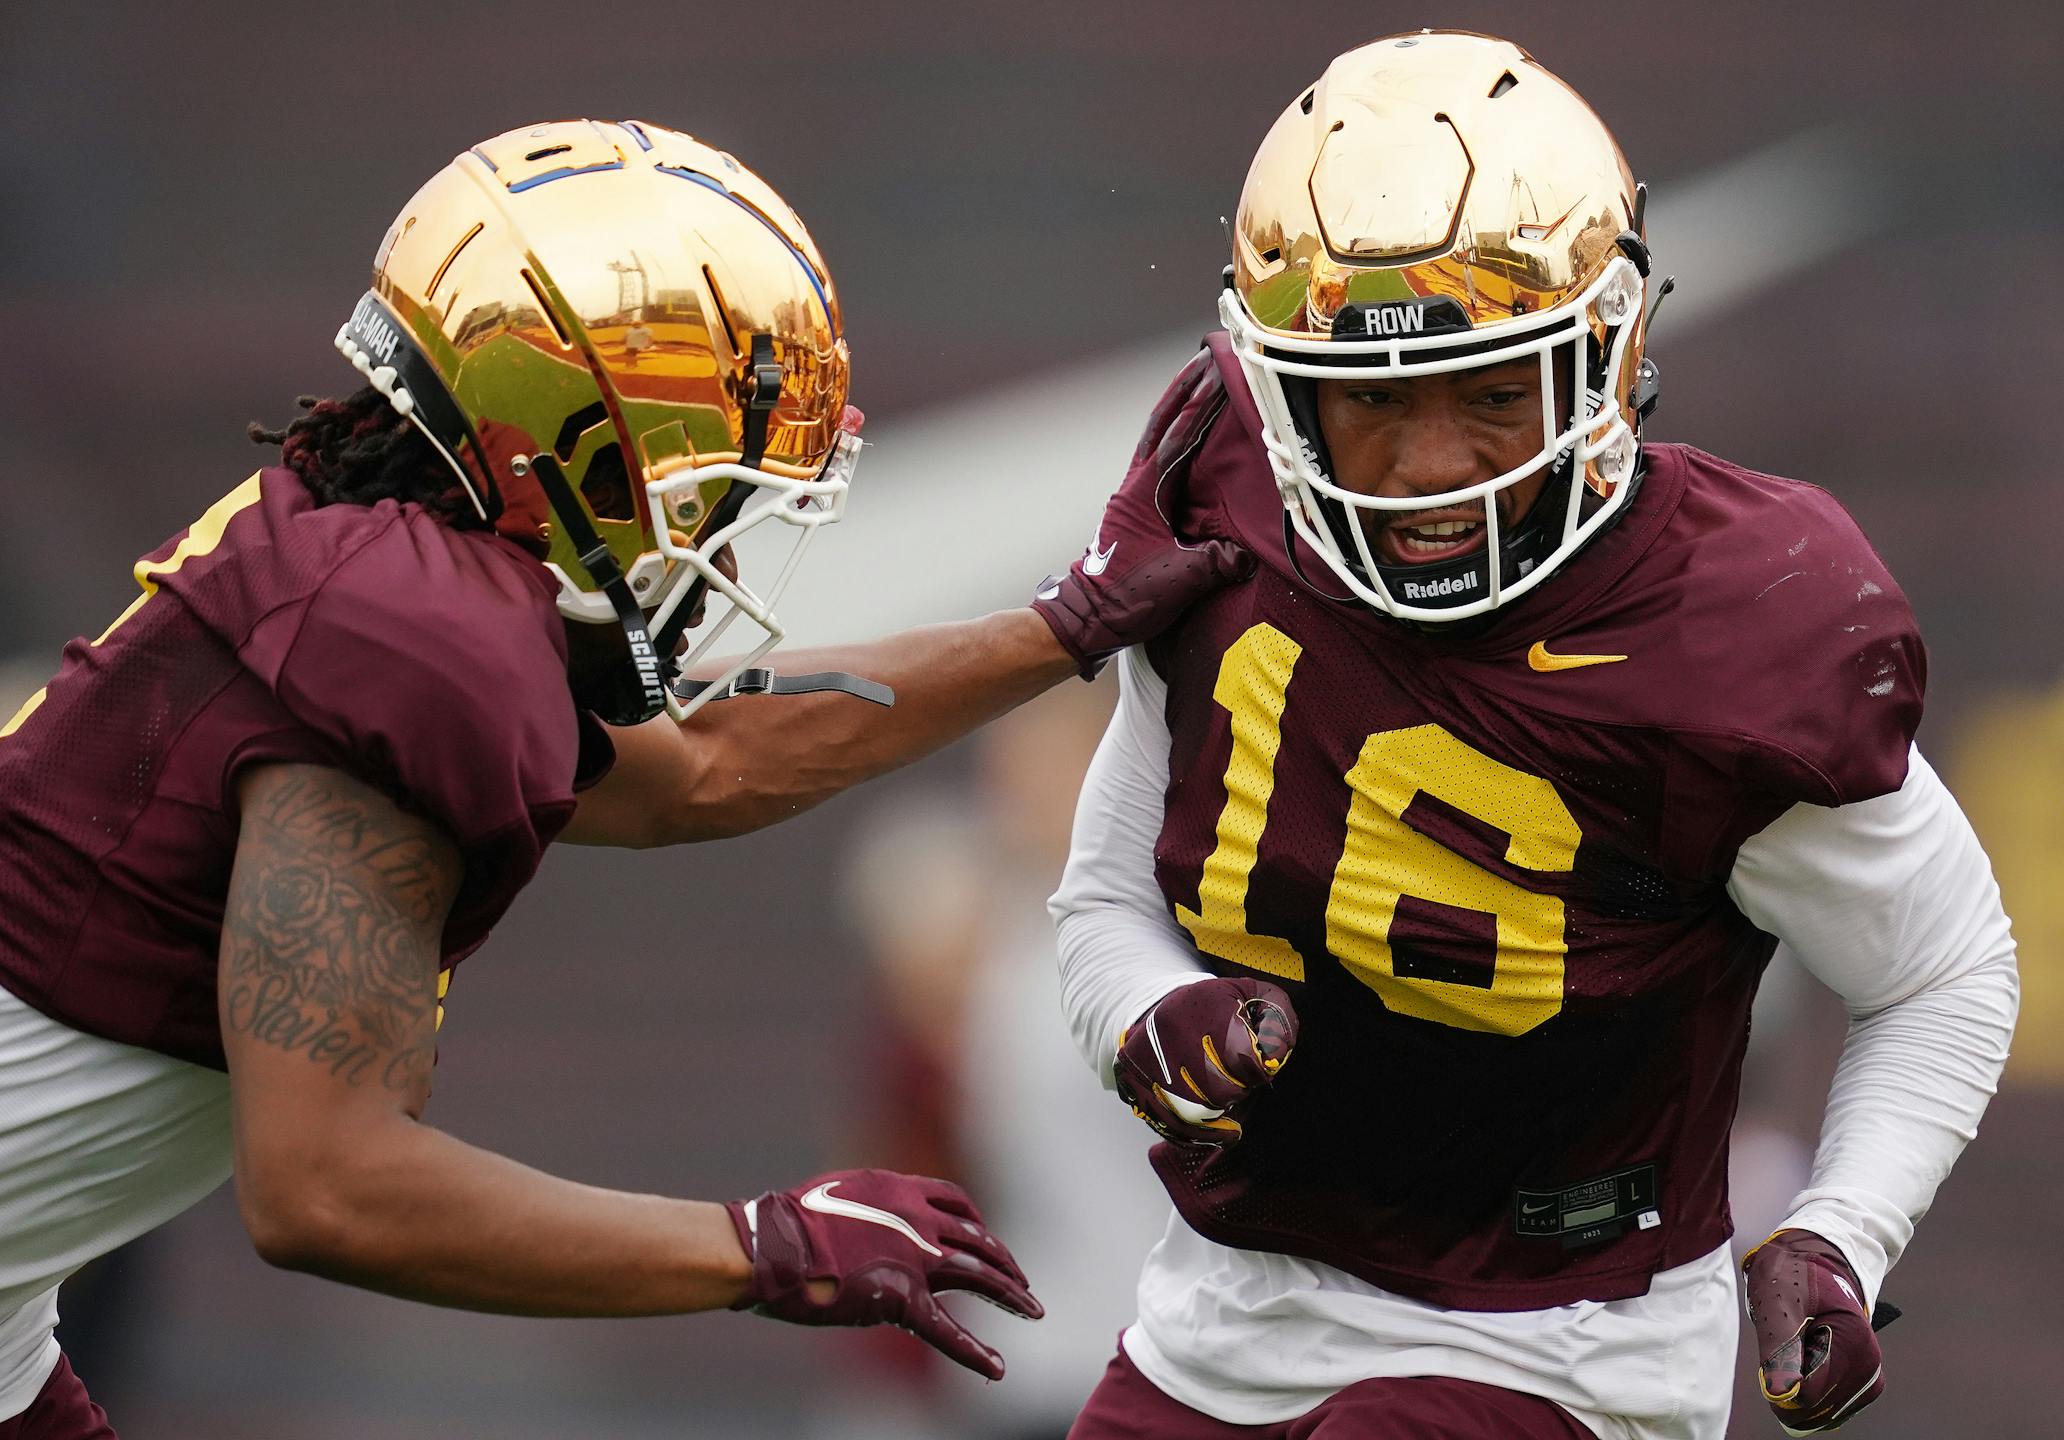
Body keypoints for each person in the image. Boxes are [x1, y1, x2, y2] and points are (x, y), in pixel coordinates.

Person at [0, 118, 1243, 1435]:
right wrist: (754, 1246)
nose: (721, 533)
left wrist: (1068, 622)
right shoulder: (407, 643)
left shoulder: (384, 566)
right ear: (577, 450)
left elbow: (697, 767)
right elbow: (329, 1186)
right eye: (714, 485)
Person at [1050, 32, 2018, 1440]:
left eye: (1494, 395)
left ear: (1607, 358)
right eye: (1374, 401)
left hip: (1563, 1340)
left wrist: (1843, 1231)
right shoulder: (1221, 509)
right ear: (1281, 387)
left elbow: (1944, 966)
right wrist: (1152, 1017)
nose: (1431, 465)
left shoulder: (1731, 620)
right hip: (1235, 1307)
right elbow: (1105, 897)